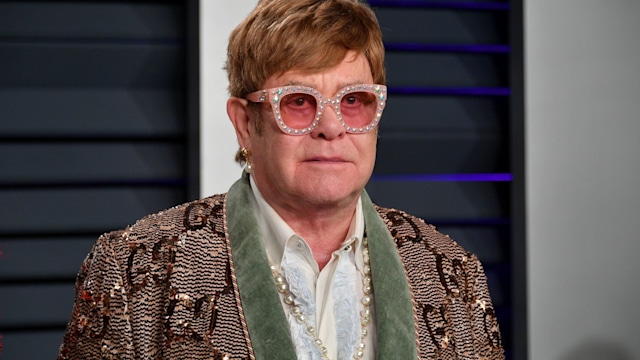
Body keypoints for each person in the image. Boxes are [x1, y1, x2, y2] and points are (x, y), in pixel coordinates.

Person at [58, 0, 504, 359]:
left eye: (354, 100)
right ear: (246, 123)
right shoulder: (135, 269)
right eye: (298, 102)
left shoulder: (452, 272)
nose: (331, 127)